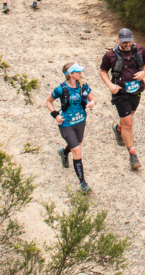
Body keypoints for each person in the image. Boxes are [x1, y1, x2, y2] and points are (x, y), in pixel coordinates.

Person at [99, 28, 145, 171]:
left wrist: (144, 72)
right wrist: (110, 85)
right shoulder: (110, 55)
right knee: (129, 124)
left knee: (129, 117)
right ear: (118, 40)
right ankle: (133, 155)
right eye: (124, 43)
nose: (127, 45)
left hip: (136, 91)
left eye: (129, 42)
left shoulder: (139, 50)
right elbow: (103, 71)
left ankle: (117, 128)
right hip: (120, 93)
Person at [47, 62, 96, 193]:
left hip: (80, 122)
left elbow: (93, 99)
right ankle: (83, 184)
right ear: (70, 74)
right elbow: (48, 101)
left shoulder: (83, 86)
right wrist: (55, 115)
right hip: (67, 124)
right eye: (78, 72)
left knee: (77, 145)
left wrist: (91, 103)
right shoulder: (60, 89)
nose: (81, 73)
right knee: (78, 151)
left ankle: (64, 153)